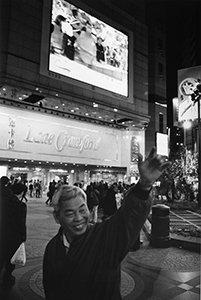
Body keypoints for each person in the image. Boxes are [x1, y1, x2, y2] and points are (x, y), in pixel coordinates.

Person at [43, 147, 169, 300]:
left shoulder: (104, 236)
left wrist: (144, 184)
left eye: (83, 210)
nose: (79, 218)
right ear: (57, 217)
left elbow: (128, 217)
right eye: (70, 213)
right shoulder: (52, 247)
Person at [0, 180, 27, 286]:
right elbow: (21, 222)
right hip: (14, 236)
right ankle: (7, 277)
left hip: (2, 232)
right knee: (11, 258)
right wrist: (23, 237)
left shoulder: (3, 201)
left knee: (1, 255)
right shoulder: (21, 205)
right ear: (21, 193)